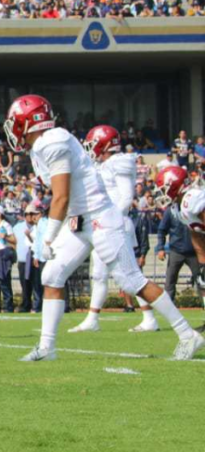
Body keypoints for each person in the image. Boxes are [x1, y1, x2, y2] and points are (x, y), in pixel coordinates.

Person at [3, 95, 202, 361]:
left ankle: (188, 334)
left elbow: (61, 196)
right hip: (79, 220)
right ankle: (47, 347)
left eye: (16, 121)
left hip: (99, 218)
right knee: (51, 276)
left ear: (30, 121)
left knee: (131, 281)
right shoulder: (40, 147)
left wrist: (48, 237)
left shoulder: (53, 141)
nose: (13, 127)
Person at [70, 125, 158, 334]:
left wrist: (108, 220)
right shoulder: (103, 164)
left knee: (130, 275)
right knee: (99, 274)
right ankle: (92, 319)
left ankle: (149, 318)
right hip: (104, 224)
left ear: (106, 143)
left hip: (115, 224)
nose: (92, 148)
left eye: (94, 143)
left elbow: (126, 198)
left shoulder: (119, 162)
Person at [156, 166, 205, 332]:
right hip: (190, 249)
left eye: (164, 189)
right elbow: (196, 235)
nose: (162, 193)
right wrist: (203, 264)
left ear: (175, 186)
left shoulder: (191, 199)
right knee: (203, 281)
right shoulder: (178, 208)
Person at [155, 189, 200, 304]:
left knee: (201, 281)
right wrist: (160, 248)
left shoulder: (196, 210)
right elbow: (162, 230)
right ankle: (168, 307)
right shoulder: (170, 211)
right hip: (176, 251)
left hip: (194, 252)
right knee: (170, 280)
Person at [17, 205, 45, 313]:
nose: (31, 216)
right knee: (28, 283)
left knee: (37, 282)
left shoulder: (40, 226)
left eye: (33, 214)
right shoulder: (20, 227)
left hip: (37, 256)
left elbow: (37, 242)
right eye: (28, 214)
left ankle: (37, 305)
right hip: (28, 257)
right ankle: (30, 305)